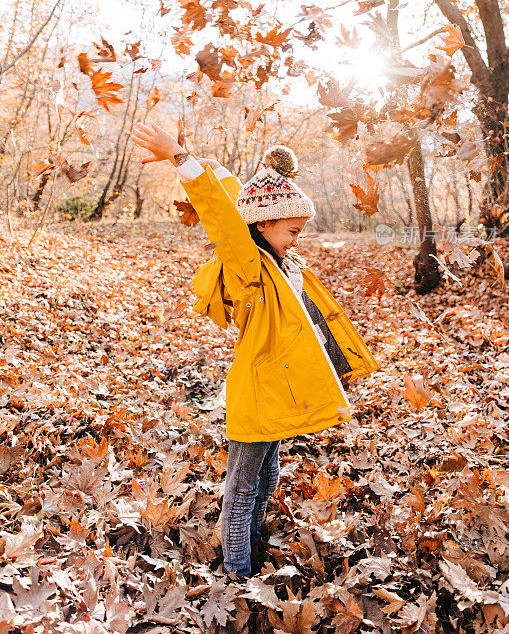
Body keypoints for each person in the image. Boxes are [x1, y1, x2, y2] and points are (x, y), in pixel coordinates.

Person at [131, 121, 380, 579]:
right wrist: (179, 157)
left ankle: (254, 543)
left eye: (301, 230)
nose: (298, 239)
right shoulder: (250, 267)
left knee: (268, 478)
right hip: (257, 393)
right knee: (242, 491)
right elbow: (225, 219)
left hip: (277, 393)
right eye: (293, 229)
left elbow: (236, 198)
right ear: (263, 225)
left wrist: (216, 165)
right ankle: (238, 574)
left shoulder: (284, 260)